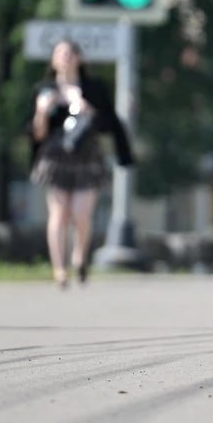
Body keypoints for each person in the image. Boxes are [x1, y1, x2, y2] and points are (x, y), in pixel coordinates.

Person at [27, 39, 134, 288]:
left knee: (81, 213)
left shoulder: (93, 88)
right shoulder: (44, 90)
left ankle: (79, 257)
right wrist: (42, 111)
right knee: (59, 212)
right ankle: (59, 270)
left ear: (79, 59)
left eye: (69, 53)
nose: (64, 58)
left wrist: (85, 108)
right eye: (59, 54)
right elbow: (37, 134)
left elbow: (109, 124)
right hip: (55, 158)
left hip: (86, 156)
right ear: (53, 60)